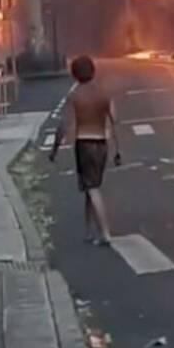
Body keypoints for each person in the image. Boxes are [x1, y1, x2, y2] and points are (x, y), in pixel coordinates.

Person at [49, 56, 121, 245]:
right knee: (89, 186)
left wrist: (55, 149)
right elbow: (114, 119)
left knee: (92, 188)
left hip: (85, 143)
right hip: (102, 144)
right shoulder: (104, 92)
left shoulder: (75, 95)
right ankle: (89, 231)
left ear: (74, 74)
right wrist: (117, 150)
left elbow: (64, 125)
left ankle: (105, 233)